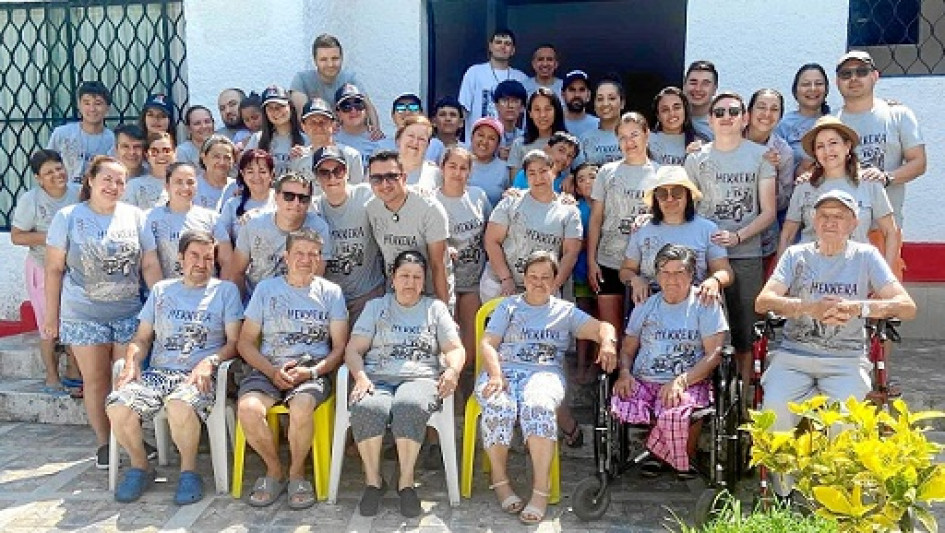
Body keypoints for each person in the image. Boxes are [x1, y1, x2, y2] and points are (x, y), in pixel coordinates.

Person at [755, 189, 916, 498]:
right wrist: (806, 307)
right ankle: (782, 493)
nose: (830, 222)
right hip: (794, 355)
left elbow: (906, 306)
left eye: (839, 216)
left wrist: (859, 308)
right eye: (824, 215)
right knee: (774, 411)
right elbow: (764, 301)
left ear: (853, 222)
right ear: (814, 220)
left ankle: (836, 495)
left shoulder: (866, 256)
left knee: (847, 417)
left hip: (845, 359)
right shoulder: (796, 255)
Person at [476, 251, 617, 524]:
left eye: (545, 278)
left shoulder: (564, 312)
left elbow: (604, 328)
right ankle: (500, 480)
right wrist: (495, 375)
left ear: (555, 281)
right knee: (498, 406)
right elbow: (488, 343)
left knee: (539, 407)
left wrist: (608, 343)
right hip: (503, 371)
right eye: (533, 277)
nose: (538, 283)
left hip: (543, 374)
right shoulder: (508, 307)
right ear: (524, 279)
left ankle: (541, 490)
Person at [106, 230, 242, 504]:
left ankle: (189, 471)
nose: (201, 263)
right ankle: (140, 466)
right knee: (118, 405)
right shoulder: (161, 291)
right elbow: (142, 337)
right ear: (180, 257)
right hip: (158, 374)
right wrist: (132, 360)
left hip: (199, 376)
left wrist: (210, 361)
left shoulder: (225, 291)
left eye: (208, 257)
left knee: (180, 404)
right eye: (194, 255)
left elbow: (235, 342)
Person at [44, 156, 160, 468]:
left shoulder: (136, 217)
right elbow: (54, 269)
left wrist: (161, 305)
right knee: (95, 380)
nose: (113, 186)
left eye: (120, 181)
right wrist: (51, 317)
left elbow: (148, 264)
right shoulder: (68, 217)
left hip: (128, 313)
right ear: (91, 181)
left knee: (126, 378)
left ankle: (129, 436)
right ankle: (104, 443)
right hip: (82, 314)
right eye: (107, 179)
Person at [345, 250, 465, 518]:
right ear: (393, 278)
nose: (410, 283)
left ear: (424, 281)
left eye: (416, 277)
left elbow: (455, 348)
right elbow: (354, 349)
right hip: (377, 377)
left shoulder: (434, 308)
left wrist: (453, 370)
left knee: (409, 405)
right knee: (367, 407)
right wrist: (361, 377)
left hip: (420, 377)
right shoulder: (376, 307)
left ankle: (406, 483)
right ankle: (373, 482)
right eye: (404, 276)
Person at [236, 229, 347, 509]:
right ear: (286, 257)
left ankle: (297, 472)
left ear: (320, 259)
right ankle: (274, 470)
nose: (306, 259)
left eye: (313, 254)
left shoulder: (331, 293)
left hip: (311, 368)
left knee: (301, 407)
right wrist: (271, 371)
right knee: (248, 409)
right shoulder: (266, 290)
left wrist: (311, 373)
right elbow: (246, 343)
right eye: (299, 253)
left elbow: (339, 348)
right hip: (268, 366)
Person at [611, 244, 729, 479]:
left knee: (675, 407)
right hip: (645, 380)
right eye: (665, 272)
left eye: (679, 272)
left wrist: (681, 381)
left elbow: (714, 353)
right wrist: (624, 372)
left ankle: (665, 455)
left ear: (692, 274)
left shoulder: (705, 304)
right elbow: (627, 348)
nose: (671, 279)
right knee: (619, 403)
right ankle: (673, 456)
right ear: (656, 276)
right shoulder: (646, 305)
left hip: (690, 381)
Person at [684, 91, 776, 381]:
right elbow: (688, 208)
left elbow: (769, 211)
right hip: (705, 257)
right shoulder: (695, 158)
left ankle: (745, 398)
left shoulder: (761, 156)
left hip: (746, 253)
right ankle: (711, 393)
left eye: (733, 112)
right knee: (705, 329)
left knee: (745, 328)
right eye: (720, 112)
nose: (727, 117)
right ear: (710, 120)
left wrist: (738, 237)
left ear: (744, 117)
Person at [835, 50, 925, 274]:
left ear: (875, 76)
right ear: (837, 82)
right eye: (846, 74)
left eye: (861, 72)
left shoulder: (898, 114)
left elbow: (919, 162)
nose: (854, 78)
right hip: (839, 233)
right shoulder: (831, 122)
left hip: (885, 233)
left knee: (883, 305)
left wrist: (887, 177)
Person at [779, 116, 899, 270]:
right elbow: (787, 236)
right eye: (820, 146)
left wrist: (884, 277)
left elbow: (890, 232)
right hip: (809, 274)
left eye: (833, 143)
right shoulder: (804, 186)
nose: (827, 151)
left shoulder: (870, 183)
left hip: (856, 273)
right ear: (815, 153)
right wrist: (782, 277)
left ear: (847, 146)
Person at [11, 150, 81, 394]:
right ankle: (52, 376)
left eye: (59, 168)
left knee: (73, 321)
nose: (56, 175)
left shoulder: (77, 193)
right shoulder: (31, 200)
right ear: (38, 178)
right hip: (42, 267)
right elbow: (17, 236)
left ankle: (74, 370)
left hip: (72, 269)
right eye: (48, 172)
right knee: (48, 325)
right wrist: (53, 237)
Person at [619, 166, 733, 303]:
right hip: (651, 301)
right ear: (656, 199)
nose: (669, 199)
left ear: (688, 196)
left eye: (677, 192)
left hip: (695, 301)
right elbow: (626, 270)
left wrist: (715, 281)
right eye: (662, 193)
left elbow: (725, 271)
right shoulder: (642, 229)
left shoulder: (708, 229)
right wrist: (635, 280)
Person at [482, 150, 582, 301]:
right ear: (526, 176)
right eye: (532, 173)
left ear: (553, 172)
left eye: (543, 171)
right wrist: (506, 279)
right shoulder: (511, 202)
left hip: (545, 291)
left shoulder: (569, 211)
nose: (538, 178)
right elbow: (491, 241)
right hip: (503, 286)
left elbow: (570, 253)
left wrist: (553, 287)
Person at [587, 112, 660, 305]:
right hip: (608, 261)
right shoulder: (606, 172)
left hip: (646, 266)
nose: (629, 142)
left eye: (634, 135)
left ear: (647, 134)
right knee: (610, 329)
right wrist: (591, 261)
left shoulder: (661, 173)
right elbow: (596, 218)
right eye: (623, 137)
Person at [310, 146, 386, 326]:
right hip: (330, 300)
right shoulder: (312, 208)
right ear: (316, 177)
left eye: (338, 170)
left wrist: (421, 191)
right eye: (324, 172)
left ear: (347, 171)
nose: (332, 177)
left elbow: (396, 194)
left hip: (368, 295)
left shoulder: (365, 195)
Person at [435, 146, 492, 388]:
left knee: (470, 335)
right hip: (443, 278)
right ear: (442, 168)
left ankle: (466, 384)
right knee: (448, 334)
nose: (457, 173)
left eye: (463, 168)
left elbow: (491, 230)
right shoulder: (432, 199)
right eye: (452, 166)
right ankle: (448, 386)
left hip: (473, 278)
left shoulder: (478, 196)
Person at [226, 172, 333, 299]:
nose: (296, 203)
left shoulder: (318, 228)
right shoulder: (253, 226)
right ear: (276, 197)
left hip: (298, 301)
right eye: (289, 196)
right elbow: (237, 272)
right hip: (255, 301)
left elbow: (315, 277)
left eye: (303, 198)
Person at [364, 151, 452, 304]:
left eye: (391, 177)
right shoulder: (371, 208)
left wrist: (443, 309)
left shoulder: (430, 209)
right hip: (394, 294)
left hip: (431, 295)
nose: (384, 184)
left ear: (404, 177)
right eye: (376, 179)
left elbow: (439, 265)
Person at [289, 33, 382, 132]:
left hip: (345, 135)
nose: (330, 64)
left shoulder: (351, 78)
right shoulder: (301, 79)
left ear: (342, 58)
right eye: (323, 60)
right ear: (315, 61)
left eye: (335, 58)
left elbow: (368, 106)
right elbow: (301, 116)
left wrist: (376, 130)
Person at [141, 162, 219, 280]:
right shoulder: (148, 218)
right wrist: (161, 295)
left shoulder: (212, 218)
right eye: (178, 182)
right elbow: (149, 265)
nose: (185, 187)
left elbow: (226, 260)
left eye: (190, 182)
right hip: (166, 293)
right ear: (167, 186)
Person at [743, 89, 794, 267]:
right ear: (748, 112)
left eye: (774, 109)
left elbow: (783, 202)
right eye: (761, 107)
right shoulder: (730, 137)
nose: (767, 114)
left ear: (780, 116)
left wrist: (773, 174)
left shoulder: (783, 152)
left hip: (762, 238)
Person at [458, 29, 527, 141]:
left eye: (507, 44)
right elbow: (463, 110)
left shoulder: (522, 78)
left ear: (513, 50)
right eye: (498, 42)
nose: (502, 46)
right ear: (490, 46)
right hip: (477, 145)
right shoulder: (474, 73)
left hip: (512, 146)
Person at [46, 80, 115, 187]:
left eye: (98, 103)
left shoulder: (113, 140)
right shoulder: (62, 134)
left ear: (107, 108)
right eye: (87, 103)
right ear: (79, 106)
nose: (92, 109)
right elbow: (47, 165)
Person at [291, 97, 364, 190]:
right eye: (312, 122)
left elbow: (356, 193)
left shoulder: (351, 156)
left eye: (323, 122)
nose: (318, 126)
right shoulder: (298, 157)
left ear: (333, 124)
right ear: (303, 126)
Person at [774, 63, 831, 177]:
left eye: (818, 84)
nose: (813, 89)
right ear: (795, 90)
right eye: (806, 84)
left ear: (826, 89)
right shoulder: (783, 124)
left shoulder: (834, 121)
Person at [571, 163, 599, 383]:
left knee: (602, 317)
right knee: (583, 316)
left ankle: (597, 366)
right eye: (581, 179)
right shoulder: (576, 209)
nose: (588, 181)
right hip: (581, 271)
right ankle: (580, 365)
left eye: (593, 176)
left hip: (605, 269)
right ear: (577, 188)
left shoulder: (607, 205)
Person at [215, 149, 275, 250]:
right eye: (250, 172)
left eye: (262, 171)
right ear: (243, 174)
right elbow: (220, 239)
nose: (257, 177)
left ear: (272, 174)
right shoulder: (232, 204)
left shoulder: (284, 201)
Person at [244, 85, 308, 177]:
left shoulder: (306, 140)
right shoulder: (257, 139)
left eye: (280, 106)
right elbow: (246, 169)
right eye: (270, 108)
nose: (275, 111)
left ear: (290, 107)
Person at [507, 87, 567, 180]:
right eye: (537, 109)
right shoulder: (519, 144)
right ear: (530, 113)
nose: (542, 115)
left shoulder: (568, 143)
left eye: (548, 109)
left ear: (556, 111)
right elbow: (515, 184)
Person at [649, 86, 707, 166]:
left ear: (685, 110)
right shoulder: (646, 141)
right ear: (658, 116)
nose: (672, 114)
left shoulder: (699, 143)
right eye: (665, 110)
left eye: (676, 108)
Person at [508, 131, 580, 191]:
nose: (564, 158)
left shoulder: (567, 183)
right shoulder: (528, 174)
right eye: (561, 150)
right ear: (547, 149)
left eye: (570, 156)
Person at [333, 84, 383, 169]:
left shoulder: (378, 139)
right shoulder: (330, 140)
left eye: (358, 105)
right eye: (346, 107)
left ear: (366, 110)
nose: (353, 110)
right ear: (338, 113)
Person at [578, 77, 625, 165]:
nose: (605, 104)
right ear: (594, 105)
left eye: (611, 98)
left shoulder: (635, 136)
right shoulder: (585, 139)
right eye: (600, 99)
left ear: (622, 103)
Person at [121, 132, 174, 210]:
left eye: (166, 151)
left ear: (174, 153)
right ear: (147, 155)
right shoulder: (134, 186)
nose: (161, 156)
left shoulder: (186, 184)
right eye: (154, 151)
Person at [467, 117, 509, 206]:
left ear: (498, 144)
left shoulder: (504, 169)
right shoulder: (460, 163)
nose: (485, 141)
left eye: (491, 138)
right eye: (480, 135)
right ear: (472, 137)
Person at [395, 115, 441, 190]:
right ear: (398, 139)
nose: (415, 142)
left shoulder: (435, 174)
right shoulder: (381, 169)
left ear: (427, 145)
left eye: (421, 139)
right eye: (411, 136)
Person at [194, 135, 237, 210]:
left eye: (227, 158)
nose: (222, 162)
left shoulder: (238, 187)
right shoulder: (193, 187)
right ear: (204, 158)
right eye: (216, 157)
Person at [682, 60, 719, 141]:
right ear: (684, 85)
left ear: (714, 89)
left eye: (705, 84)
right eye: (693, 82)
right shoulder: (673, 115)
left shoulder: (723, 120)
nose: (698, 89)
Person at [492, 80, 527, 160]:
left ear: (522, 107)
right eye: (504, 101)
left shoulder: (525, 138)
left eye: (515, 101)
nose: (510, 106)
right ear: (496, 105)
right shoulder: (486, 133)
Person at [561, 70, 599, 139]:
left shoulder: (599, 125)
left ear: (589, 95)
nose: (577, 95)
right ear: (563, 95)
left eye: (582, 90)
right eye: (572, 90)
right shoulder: (553, 123)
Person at [427, 96, 464, 163]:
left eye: (453, 115)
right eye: (442, 114)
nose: (448, 119)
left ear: (461, 123)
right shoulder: (425, 147)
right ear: (433, 121)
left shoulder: (466, 150)